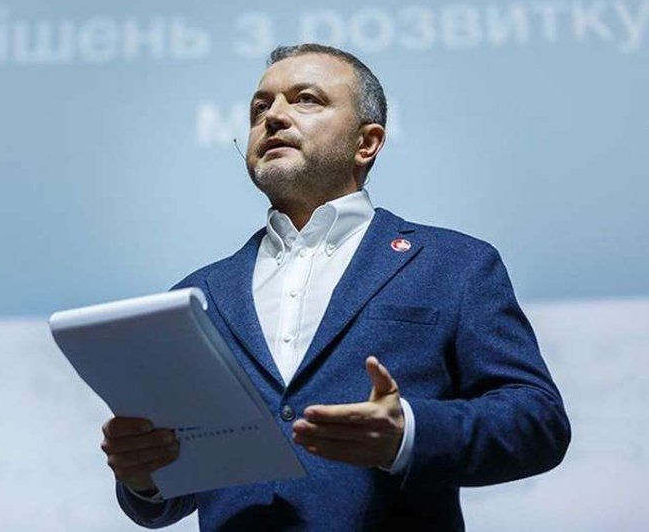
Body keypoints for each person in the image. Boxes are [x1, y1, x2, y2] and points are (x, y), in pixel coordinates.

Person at [99, 43, 571, 531]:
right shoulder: (195, 297)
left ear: (366, 143)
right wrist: (144, 475)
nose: (273, 117)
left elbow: (538, 421)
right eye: (260, 107)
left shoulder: (454, 265)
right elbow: (168, 494)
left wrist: (408, 434)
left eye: (306, 99)